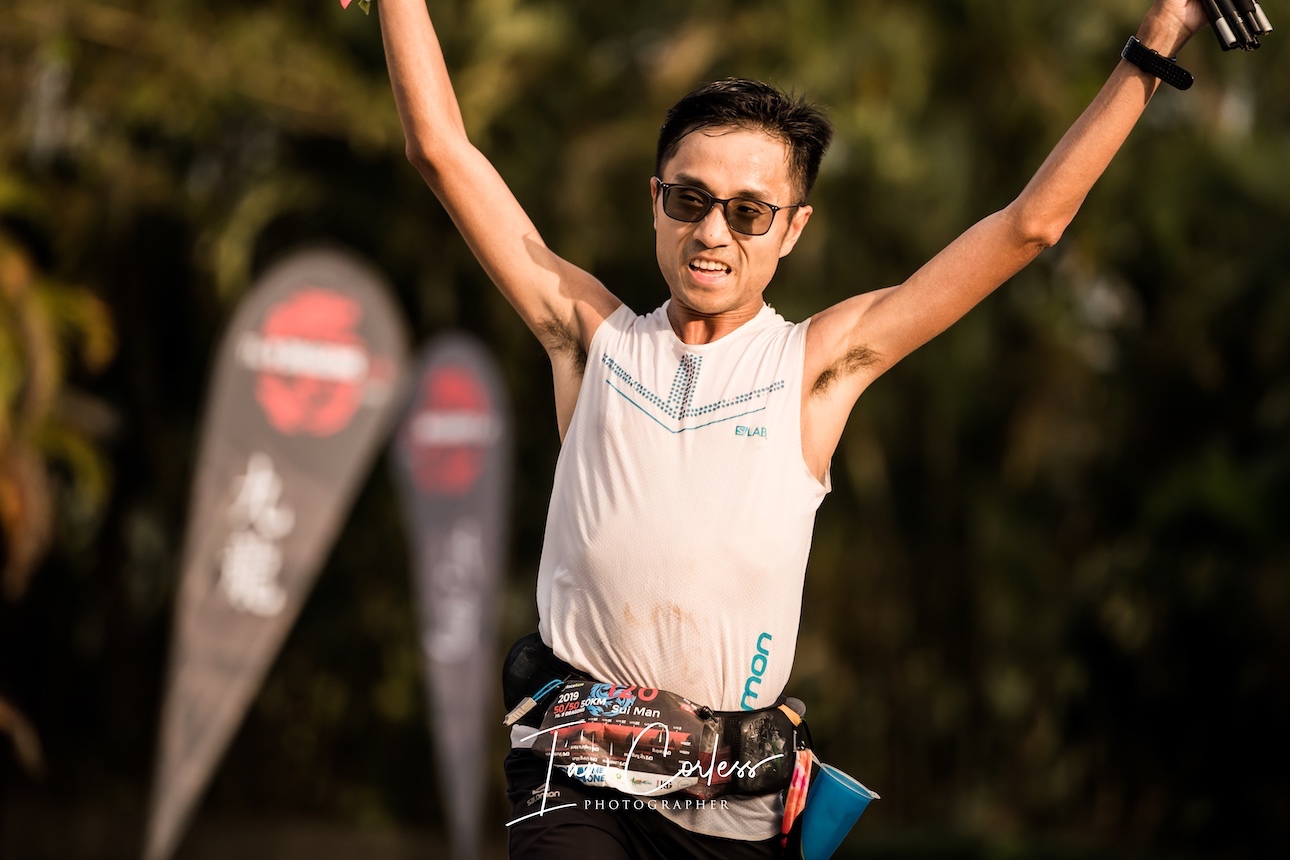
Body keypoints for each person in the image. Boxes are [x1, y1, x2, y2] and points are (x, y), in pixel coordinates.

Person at [377, 1, 1213, 856]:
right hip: (575, 775)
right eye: (689, 200)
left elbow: (1029, 227)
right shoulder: (591, 337)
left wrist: (1157, 42)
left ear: (793, 228)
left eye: (749, 212)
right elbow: (441, 150)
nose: (711, 232)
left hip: (733, 809)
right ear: (655, 201)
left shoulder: (816, 366)